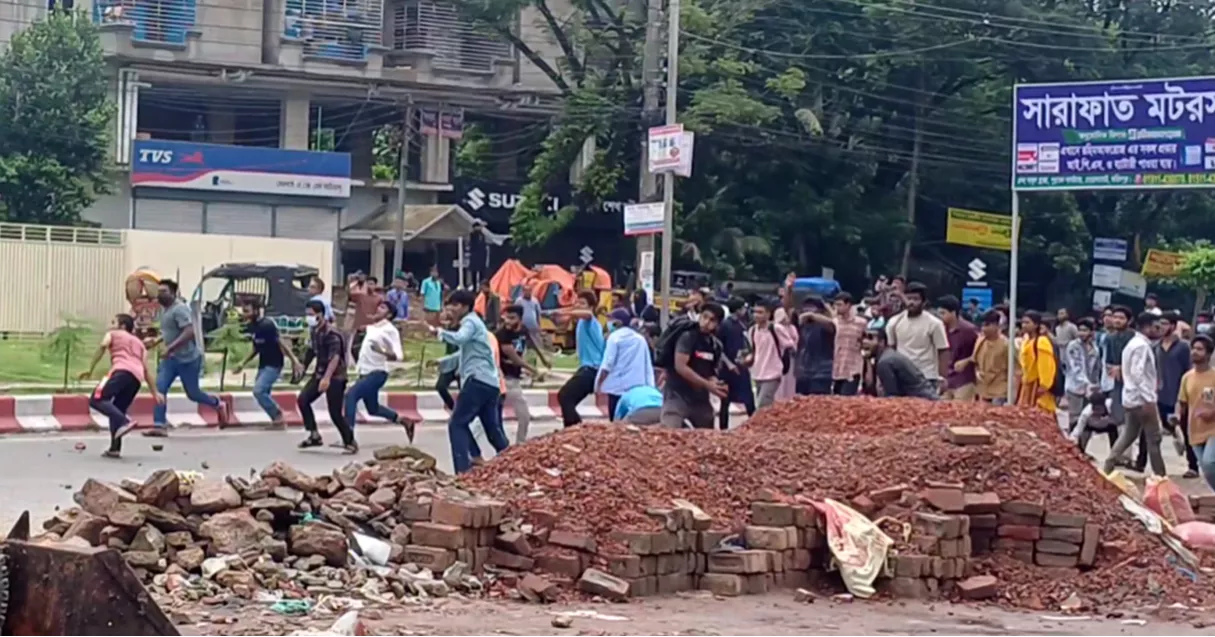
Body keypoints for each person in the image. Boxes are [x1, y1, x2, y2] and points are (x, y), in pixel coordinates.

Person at [428, 290, 510, 473]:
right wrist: (442, 363)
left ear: (466, 307)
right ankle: (512, 461)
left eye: (455, 305)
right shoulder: (476, 325)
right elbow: (464, 354)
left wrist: (438, 332)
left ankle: (462, 472)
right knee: (492, 429)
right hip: (491, 384)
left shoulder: (470, 322)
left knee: (456, 423)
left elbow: (460, 339)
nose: (451, 309)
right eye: (450, 305)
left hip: (477, 381)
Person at [143, 279, 229, 437]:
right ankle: (159, 425)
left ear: (174, 293)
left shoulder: (180, 309)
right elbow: (170, 332)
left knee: (193, 393)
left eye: (165, 292)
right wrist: (156, 341)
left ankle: (218, 404)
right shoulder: (164, 310)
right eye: (159, 291)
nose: (161, 295)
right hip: (171, 360)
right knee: (159, 388)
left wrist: (170, 348)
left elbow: (189, 332)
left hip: (188, 359)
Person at [80, 313, 162, 458]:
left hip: (120, 371)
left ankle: (125, 422)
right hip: (136, 379)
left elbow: (102, 347)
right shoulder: (139, 343)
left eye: (113, 322)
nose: (110, 325)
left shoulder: (113, 333)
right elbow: (146, 370)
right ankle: (115, 448)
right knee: (117, 410)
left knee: (96, 399)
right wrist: (155, 392)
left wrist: (90, 369)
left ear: (122, 326)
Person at [1103, 312, 1166, 477]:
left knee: (1129, 435)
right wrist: (1148, 399)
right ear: (1147, 327)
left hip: (1131, 398)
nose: (1159, 330)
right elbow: (1138, 374)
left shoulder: (1133, 344)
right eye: (1156, 327)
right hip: (1141, 399)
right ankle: (1161, 477)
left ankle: (1108, 465)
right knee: (1154, 438)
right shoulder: (1141, 346)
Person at [346, 301, 419, 443]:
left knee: (350, 396)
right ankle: (404, 421)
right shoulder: (373, 327)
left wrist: (382, 351)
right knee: (372, 409)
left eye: (383, 307)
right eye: (378, 306)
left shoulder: (390, 330)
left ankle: (348, 437)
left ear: (389, 314)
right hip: (365, 372)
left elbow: (399, 356)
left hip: (377, 373)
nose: (378, 308)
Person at [232, 299, 303, 429]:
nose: (245, 314)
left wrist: (294, 360)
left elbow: (280, 342)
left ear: (256, 310)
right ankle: (277, 422)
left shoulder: (267, 325)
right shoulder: (253, 326)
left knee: (258, 391)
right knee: (264, 393)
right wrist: (242, 363)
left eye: (247, 311)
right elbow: (256, 347)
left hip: (274, 364)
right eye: (243, 311)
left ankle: (278, 415)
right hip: (263, 364)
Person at [296, 300, 354, 451]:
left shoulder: (332, 333)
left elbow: (335, 357)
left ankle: (349, 441)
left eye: (312, 314)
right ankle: (314, 434)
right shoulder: (314, 331)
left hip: (335, 377)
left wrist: (327, 378)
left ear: (321, 314)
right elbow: (311, 350)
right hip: (319, 373)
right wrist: (303, 366)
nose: (309, 317)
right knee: (303, 400)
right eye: (307, 314)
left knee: (334, 412)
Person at [662, 303, 727, 428]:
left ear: (717, 324)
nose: (706, 322)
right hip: (677, 394)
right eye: (704, 317)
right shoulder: (687, 337)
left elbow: (711, 372)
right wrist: (707, 385)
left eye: (712, 320)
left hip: (700, 398)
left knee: (706, 436)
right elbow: (680, 366)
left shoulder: (715, 345)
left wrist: (716, 384)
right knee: (668, 434)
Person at [497, 304, 551, 443]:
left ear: (520, 319)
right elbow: (514, 358)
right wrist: (534, 371)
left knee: (522, 416)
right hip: (502, 378)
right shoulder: (502, 334)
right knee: (518, 414)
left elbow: (531, 342)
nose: (508, 321)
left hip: (513, 379)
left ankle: (519, 443)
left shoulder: (523, 330)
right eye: (506, 317)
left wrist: (543, 357)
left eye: (512, 318)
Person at [886, 282, 949, 392]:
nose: (911, 302)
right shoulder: (894, 322)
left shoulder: (934, 323)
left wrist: (942, 378)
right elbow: (891, 350)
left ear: (923, 302)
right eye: (909, 298)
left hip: (927, 377)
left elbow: (943, 351)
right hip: (902, 376)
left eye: (916, 299)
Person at [1156, 312, 1198, 478]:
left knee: (1187, 432)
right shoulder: (1157, 346)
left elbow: (1189, 370)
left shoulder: (1183, 347)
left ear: (1173, 326)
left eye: (1165, 323)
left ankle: (1193, 466)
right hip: (1161, 393)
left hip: (1180, 394)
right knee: (1164, 426)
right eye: (1159, 323)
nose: (1161, 327)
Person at [557, 292, 607, 427]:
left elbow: (588, 314)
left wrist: (568, 313)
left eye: (582, 303)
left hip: (591, 369)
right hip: (587, 368)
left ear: (591, 307)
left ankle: (575, 430)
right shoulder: (581, 322)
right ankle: (576, 428)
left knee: (565, 396)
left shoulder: (590, 321)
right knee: (567, 399)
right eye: (577, 302)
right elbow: (560, 324)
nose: (578, 306)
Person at [597, 308, 656, 419]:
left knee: (615, 422)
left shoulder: (614, 338)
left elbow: (607, 365)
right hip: (637, 390)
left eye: (610, 319)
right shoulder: (640, 339)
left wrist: (598, 384)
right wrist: (650, 386)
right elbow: (647, 366)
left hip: (616, 390)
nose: (608, 323)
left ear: (617, 322)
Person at [1177, 334, 1215, 490]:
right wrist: (1176, 417)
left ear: (1208, 353)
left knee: (1208, 462)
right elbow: (1182, 402)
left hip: (1213, 429)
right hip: (1194, 430)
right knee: (1207, 471)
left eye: (1199, 349)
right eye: (1193, 348)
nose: (1194, 352)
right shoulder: (1187, 377)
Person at [862, 328, 937, 399]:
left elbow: (892, 396)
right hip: (919, 399)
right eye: (863, 338)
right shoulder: (885, 356)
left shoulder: (885, 361)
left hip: (923, 402)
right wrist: (867, 360)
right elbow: (870, 386)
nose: (864, 341)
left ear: (882, 342)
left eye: (870, 338)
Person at [716, 298, 755, 429]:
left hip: (741, 365)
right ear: (738, 309)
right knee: (725, 400)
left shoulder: (741, 324)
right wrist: (728, 364)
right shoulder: (725, 325)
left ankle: (754, 425)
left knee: (748, 398)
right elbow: (718, 347)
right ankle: (723, 429)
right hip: (728, 369)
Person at [749, 301, 797, 408]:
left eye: (760, 312)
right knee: (765, 404)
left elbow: (790, 345)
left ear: (768, 314)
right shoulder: (752, 330)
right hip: (758, 373)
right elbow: (753, 349)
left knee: (763, 404)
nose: (756, 315)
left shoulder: (776, 329)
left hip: (773, 372)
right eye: (755, 312)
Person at [1063, 318, 1101, 433]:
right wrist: (1088, 384)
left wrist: (1096, 386)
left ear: (1092, 332)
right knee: (1075, 419)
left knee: (1088, 419)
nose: (1082, 333)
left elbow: (1097, 369)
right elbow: (1076, 368)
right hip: (1075, 388)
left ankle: (1082, 447)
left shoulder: (1095, 348)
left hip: (1090, 390)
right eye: (1080, 330)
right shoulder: (1073, 346)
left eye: (1085, 330)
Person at [937, 295, 978, 401]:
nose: (940, 317)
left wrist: (967, 361)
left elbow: (980, 352)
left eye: (943, 313)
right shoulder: (940, 329)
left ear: (953, 313)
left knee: (961, 412)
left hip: (964, 380)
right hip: (946, 380)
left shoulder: (969, 330)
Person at [792, 297, 836, 395]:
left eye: (811, 308)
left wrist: (813, 316)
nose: (807, 311)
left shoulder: (825, 325)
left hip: (822, 372)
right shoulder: (802, 325)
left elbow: (833, 325)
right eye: (805, 308)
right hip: (803, 372)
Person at [1016, 311, 1058, 413]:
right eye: (1023, 322)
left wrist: (1044, 385)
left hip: (1038, 385)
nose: (1024, 325)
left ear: (1036, 325)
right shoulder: (1026, 341)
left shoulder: (1042, 341)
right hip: (1027, 384)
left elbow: (1046, 365)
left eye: (1027, 323)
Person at [830, 292, 867, 396]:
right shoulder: (834, 323)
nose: (837, 308)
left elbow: (867, 341)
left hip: (853, 367)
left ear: (848, 305)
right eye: (836, 305)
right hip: (837, 366)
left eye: (840, 304)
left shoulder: (861, 323)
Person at [971, 310, 1010, 404]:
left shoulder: (1006, 345)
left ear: (997, 325)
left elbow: (1015, 371)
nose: (984, 328)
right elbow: (974, 361)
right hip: (982, 389)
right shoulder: (980, 341)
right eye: (983, 325)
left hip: (999, 391)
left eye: (987, 325)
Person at [1069, 391, 1120, 455]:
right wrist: (1070, 444)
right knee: (1078, 426)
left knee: (1117, 431)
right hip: (1091, 426)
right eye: (1095, 409)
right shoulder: (1086, 413)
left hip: (1109, 425)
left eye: (1099, 409)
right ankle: (1081, 451)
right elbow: (1077, 431)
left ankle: (1115, 454)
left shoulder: (1112, 407)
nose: (1097, 412)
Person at [772, 307, 799, 402]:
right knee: (782, 379)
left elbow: (796, 340)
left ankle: (789, 397)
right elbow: (786, 343)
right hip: (782, 356)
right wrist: (792, 345)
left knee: (791, 378)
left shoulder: (791, 327)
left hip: (791, 356)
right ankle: (780, 399)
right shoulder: (777, 327)